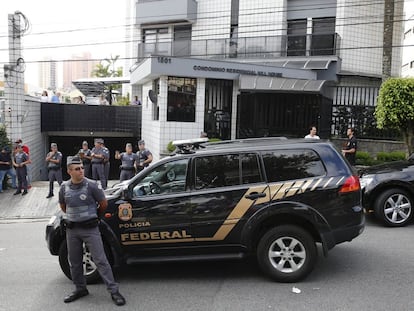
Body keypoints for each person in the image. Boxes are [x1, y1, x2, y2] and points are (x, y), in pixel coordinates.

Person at [59, 156, 126, 306]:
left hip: (90, 229)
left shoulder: (92, 185)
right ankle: (80, 288)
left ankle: (114, 291)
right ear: (69, 171)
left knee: (101, 260)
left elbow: (103, 204)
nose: (81, 171)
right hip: (72, 230)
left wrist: (95, 217)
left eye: (82, 168)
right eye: (77, 169)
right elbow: (63, 206)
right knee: (75, 262)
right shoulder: (64, 187)